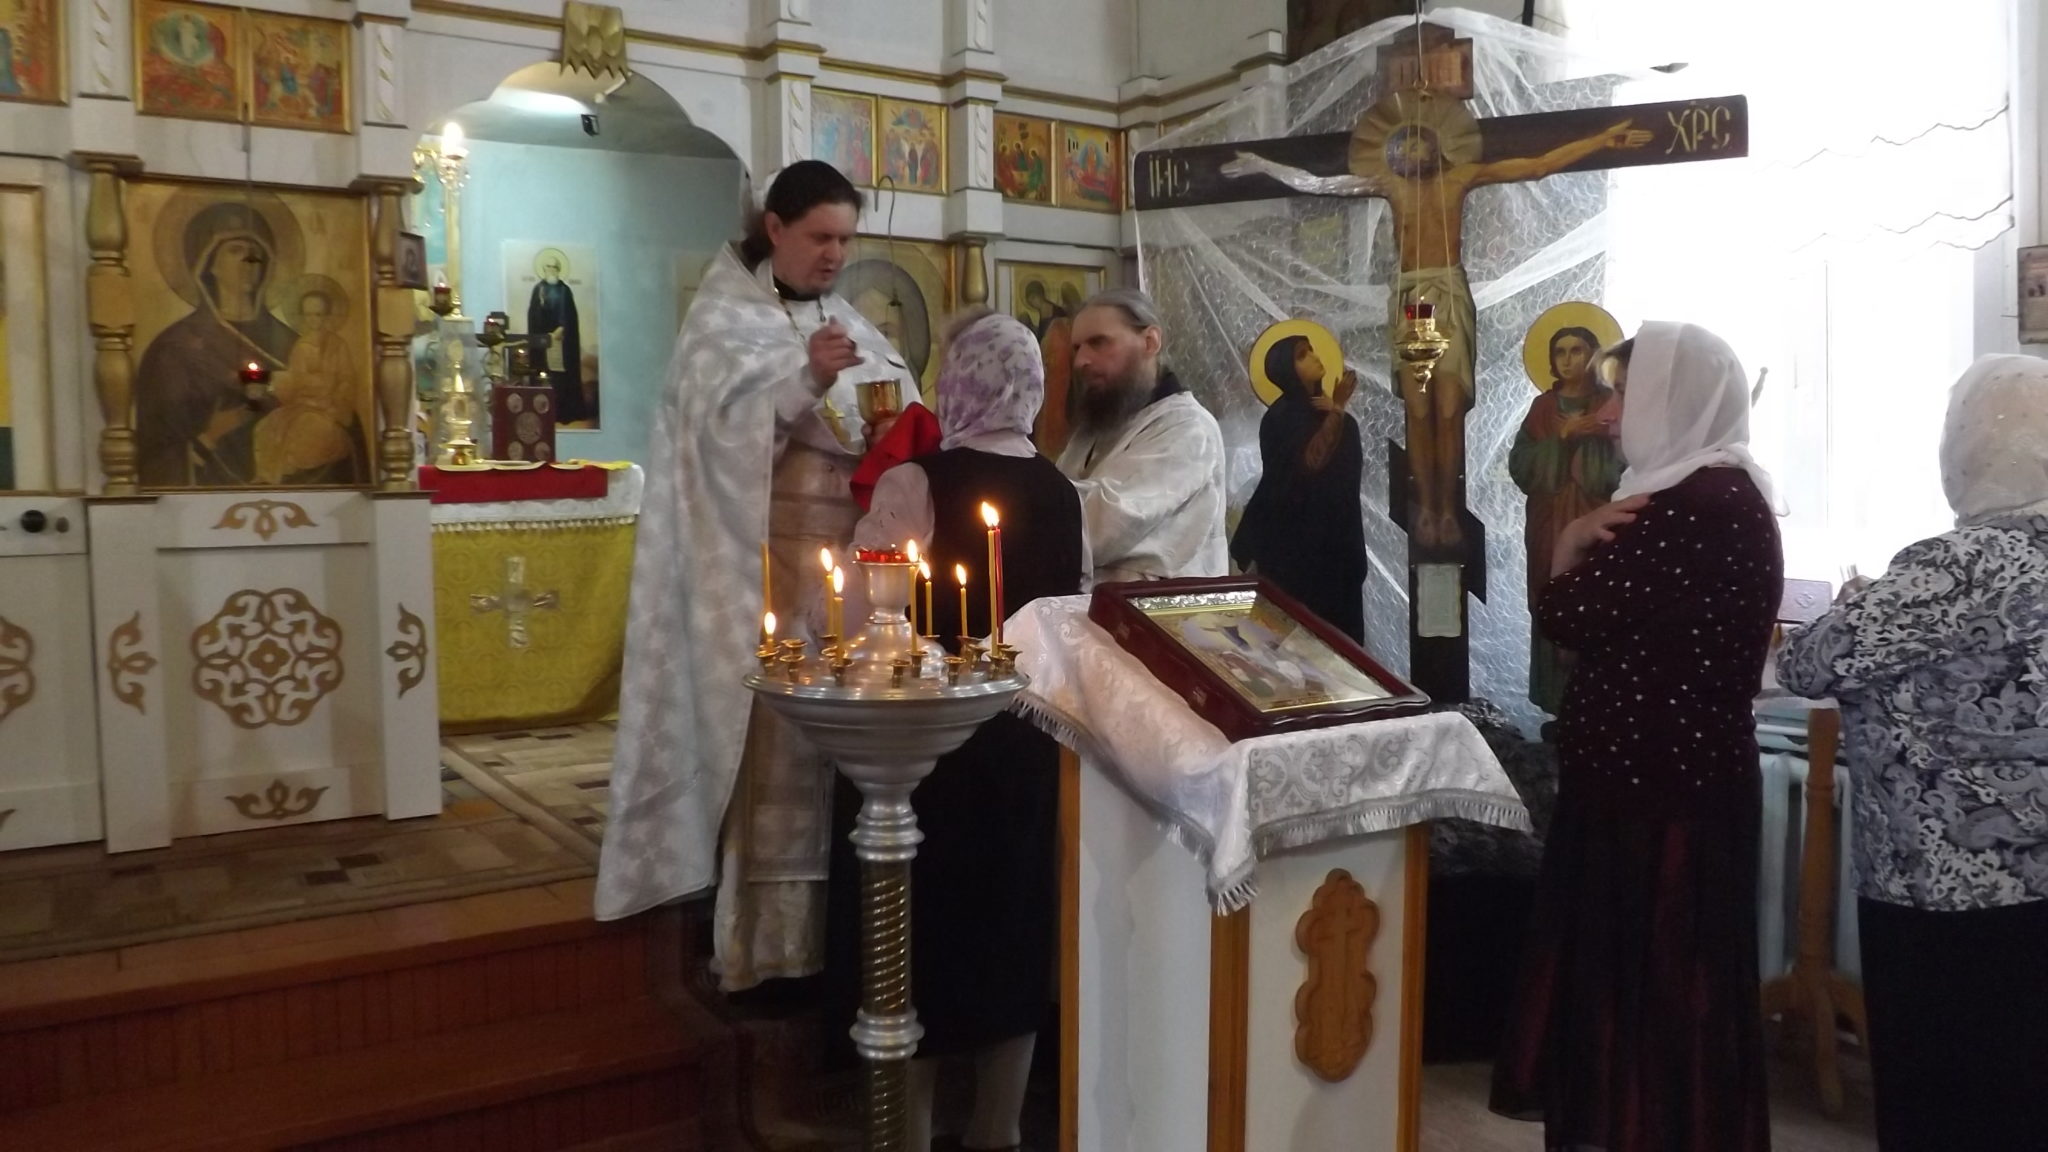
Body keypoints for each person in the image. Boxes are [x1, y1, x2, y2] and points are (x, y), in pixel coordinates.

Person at [597, 162, 915, 993]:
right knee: (772, 752)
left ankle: (839, 943)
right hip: (760, 576)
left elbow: (898, 419)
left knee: (842, 758)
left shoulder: (851, 323)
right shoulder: (720, 324)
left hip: (850, 584)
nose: (835, 254)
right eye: (820, 236)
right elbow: (712, 443)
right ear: (774, 228)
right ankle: (765, 948)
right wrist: (806, 379)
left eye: (845, 238)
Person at [1490, 322, 1782, 1152]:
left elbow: (1569, 615)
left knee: (1648, 999)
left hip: (1655, 802)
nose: (1611, 414)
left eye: (1626, 394)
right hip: (1668, 785)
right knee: (1666, 996)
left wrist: (1568, 543)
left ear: (1672, 402)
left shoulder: (1687, 508)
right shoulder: (1722, 495)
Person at [1775, 354, 2048, 1151]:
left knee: (1947, 1097)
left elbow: (1807, 664)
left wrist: (1857, 603)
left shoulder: (1949, 568)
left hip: (1939, 893)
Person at [830, 310, 1085, 1152]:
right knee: (1011, 925)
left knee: (923, 931)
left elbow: (867, 611)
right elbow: (1073, 614)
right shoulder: (1061, 490)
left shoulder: (917, 481)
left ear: (958, 383)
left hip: (926, 741)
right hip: (1026, 736)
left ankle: (909, 1129)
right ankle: (998, 1127)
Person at [1056, 288, 1227, 583]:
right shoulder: (1094, 429)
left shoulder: (1188, 427)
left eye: (1098, 342)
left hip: (1163, 609)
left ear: (1150, 342)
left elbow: (1106, 522)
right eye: (1077, 348)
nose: (1081, 361)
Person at [136, 203, 300, 487]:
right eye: (235, 250)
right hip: (201, 502)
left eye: (256, 254)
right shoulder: (175, 348)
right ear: (208, 263)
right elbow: (155, 453)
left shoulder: (292, 342)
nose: (249, 261)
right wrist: (212, 434)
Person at [1509, 325, 1624, 718]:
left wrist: (1595, 440)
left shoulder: (1610, 404)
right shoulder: (1543, 409)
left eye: (1578, 350)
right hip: (1549, 524)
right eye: (1561, 352)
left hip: (1596, 519)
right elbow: (1521, 467)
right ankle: (1556, 702)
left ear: (1594, 356)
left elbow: (1619, 471)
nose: (1569, 359)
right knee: (1551, 597)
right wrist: (1563, 436)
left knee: (1597, 602)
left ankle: (1597, 701)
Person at [1229, 333, 1368, 641]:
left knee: (1338, 647)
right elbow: (1309, 463)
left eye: (1312, 350)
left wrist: (1338, 415)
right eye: (1302, 355)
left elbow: (1346, 484)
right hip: (1292, 554)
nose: (1315, 357)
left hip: (1335, 554)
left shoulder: (1340, 420)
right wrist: (1338, 410)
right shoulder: (1279, 419)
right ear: (1284, 370)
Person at [254, 286, 364, 484]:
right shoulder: (301, 346)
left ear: (327, 316)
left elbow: (347, 379)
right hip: (303, 405)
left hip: (332, 408)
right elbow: (297, 380)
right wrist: (283, 382)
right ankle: (269, 476)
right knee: (265, 427)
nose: (314, 320)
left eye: (318, 314)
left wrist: (335, 400)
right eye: (309, 315)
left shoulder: (338, 345)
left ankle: (286, 473)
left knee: (307, 432)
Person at [528, 251, 584, 424]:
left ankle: (562, 412)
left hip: (561, 341)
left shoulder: (564, 290)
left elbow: (569, 316)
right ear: (544, 269)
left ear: (558, 269)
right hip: (543, 341)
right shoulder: (538, 289)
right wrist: (542, 334)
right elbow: (533, 315)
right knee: (544, 372)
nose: (551, 269)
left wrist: (562, 328)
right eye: (548, 266)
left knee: (560, 376)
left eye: (554, 267)